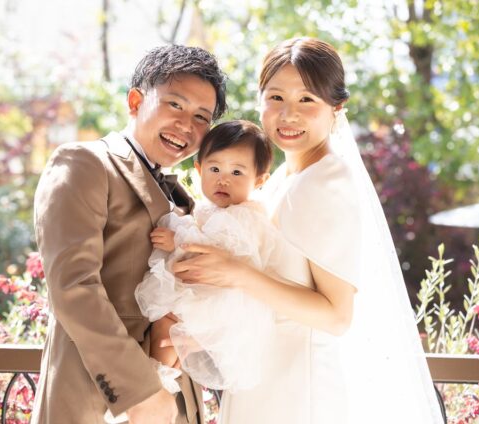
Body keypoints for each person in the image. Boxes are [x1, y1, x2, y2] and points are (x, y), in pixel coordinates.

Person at [173, 37, 444, 423]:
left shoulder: (326, 182)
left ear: (336, 108)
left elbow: (336, 315)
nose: (288, 115)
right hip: (267, 376)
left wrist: (236, 273)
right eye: (276, 97)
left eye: (306, 100)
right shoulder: (284, 176)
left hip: (299, 387)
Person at [31, 45, 227, 424]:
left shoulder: (183, 196)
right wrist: (142, 393)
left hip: (175, 401)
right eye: (175, 105)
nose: (186, 125)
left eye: (201, 117)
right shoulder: (84, 163)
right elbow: (73, 287)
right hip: (99, 400)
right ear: (135, 101)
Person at [136, 120, 288, 392]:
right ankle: (159, 381)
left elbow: (220, 253)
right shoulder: (213, 210)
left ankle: (154, 386)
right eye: (214, 169)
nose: (223, 179)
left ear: (259, 180)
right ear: (199, 169)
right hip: (207, 293)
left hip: (225, 303)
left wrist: (178, 240)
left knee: (167, 324)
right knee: (169, 328)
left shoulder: (245, 216)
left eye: (237, 172)